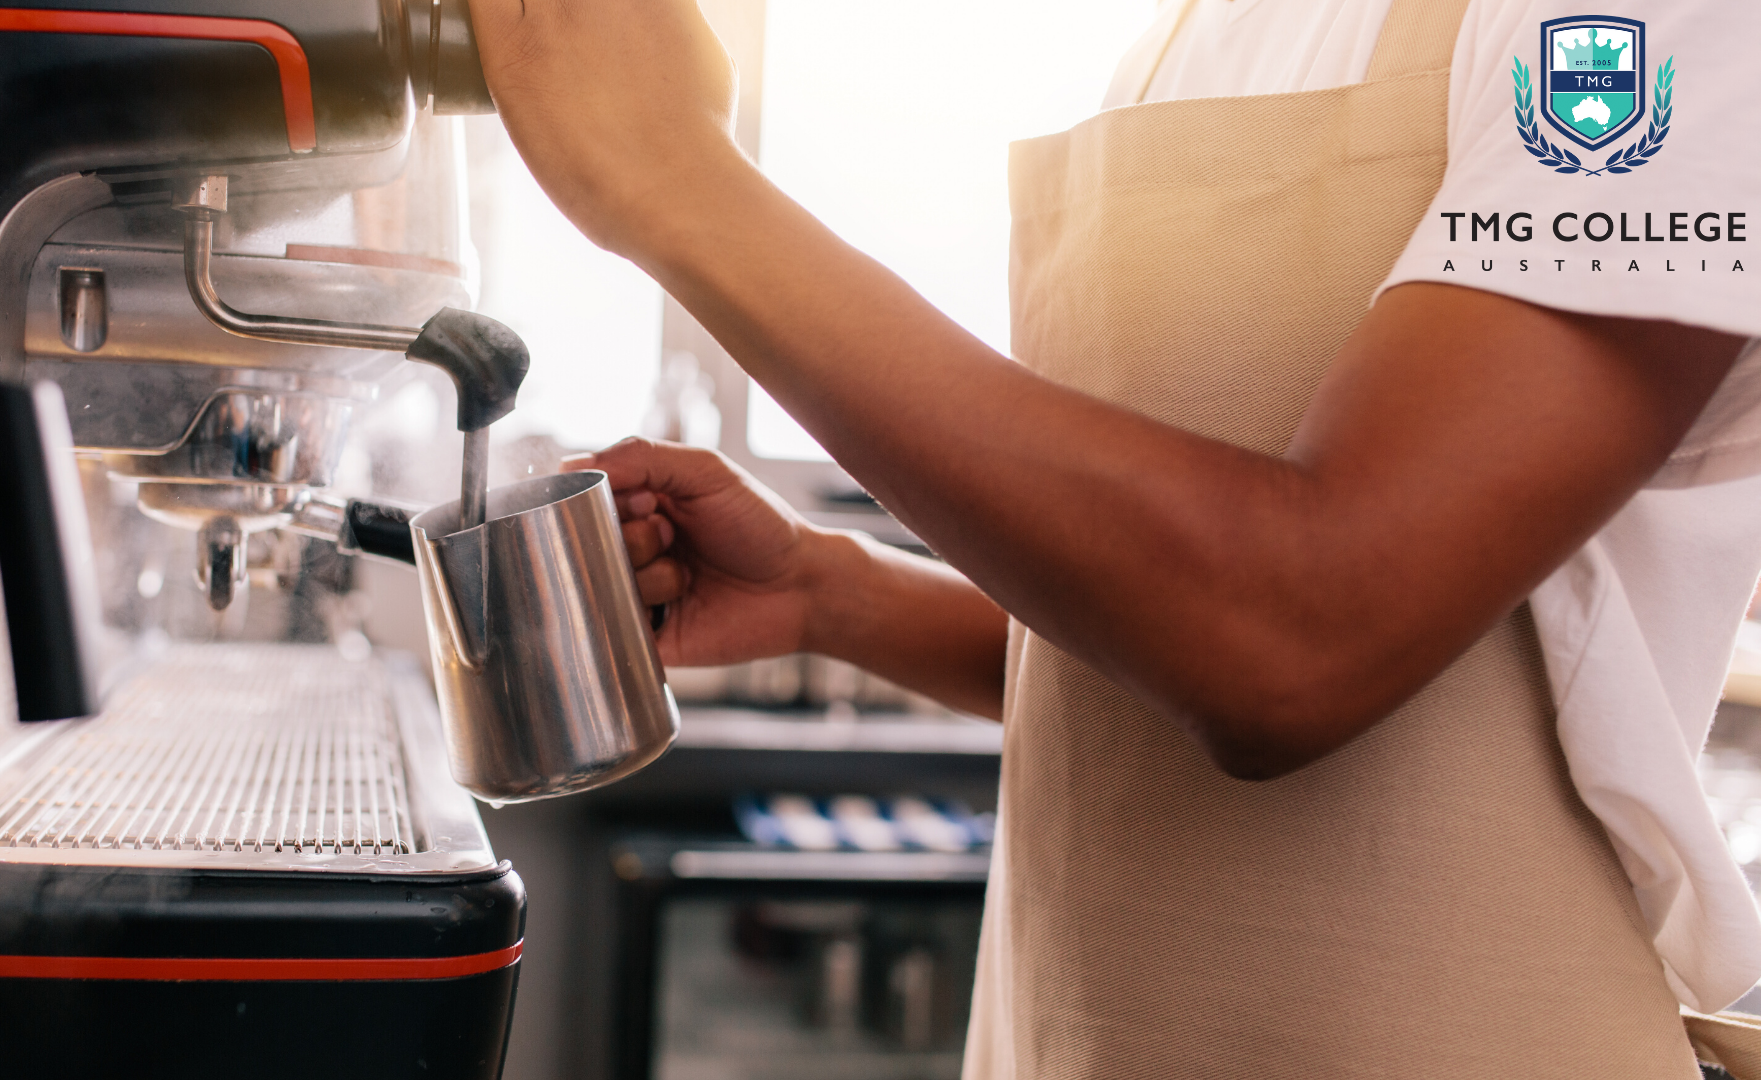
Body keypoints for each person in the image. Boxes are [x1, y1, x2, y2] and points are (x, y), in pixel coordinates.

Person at [464, 0, 1761, 1072]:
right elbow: (1157, 624)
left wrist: (671, 182)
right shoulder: (1194, 36)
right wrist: (838, 593)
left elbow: (1294, 633)